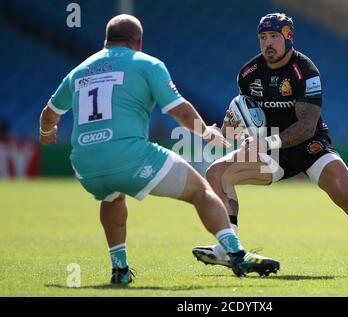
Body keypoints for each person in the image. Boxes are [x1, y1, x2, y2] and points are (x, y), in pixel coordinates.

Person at [39, 14, 280, 284]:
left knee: (111, 197)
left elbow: (49, 115)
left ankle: (120, 270)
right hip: (129, 156)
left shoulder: (79, 71)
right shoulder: (147, 64)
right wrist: (207, 132)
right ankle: (236, 253)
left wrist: (46, 134)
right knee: (201, 191)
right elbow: (180, 111)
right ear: (138, 43)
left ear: (105, 41)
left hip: (84, 164)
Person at [192, 13, 348, 277]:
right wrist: (222, 130)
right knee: (216, 172)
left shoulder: (305, 71)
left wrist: (265, 142)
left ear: (288, 37)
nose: (268, 44)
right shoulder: (248, 74)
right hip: (272, 152)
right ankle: (231, 249)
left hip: (311, 148)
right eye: (263, 38)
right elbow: (244, 117)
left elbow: (306, 126)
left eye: (274, 36)